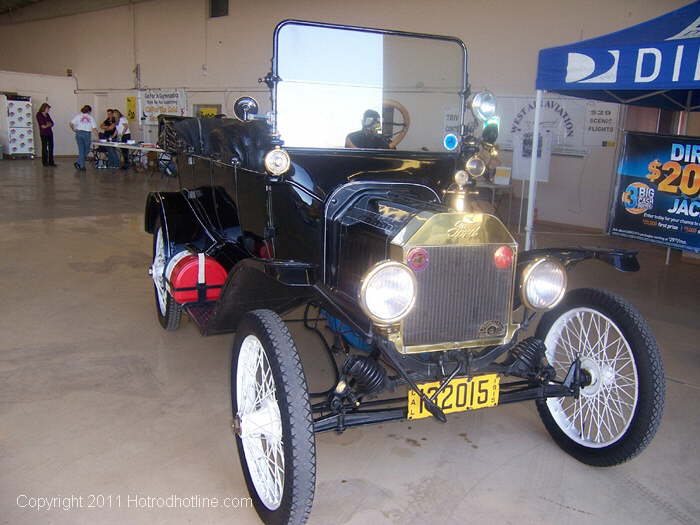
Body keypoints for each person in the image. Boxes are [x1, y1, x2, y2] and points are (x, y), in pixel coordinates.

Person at [70, 105, 97, 171]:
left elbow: (71, 123)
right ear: (89, 111)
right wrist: (98, 137)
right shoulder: (91, 117)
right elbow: (94, 128)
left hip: (78, 133)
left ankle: (79, 163)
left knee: (81, 150)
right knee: (87, 149)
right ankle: (81, 165)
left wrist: (73, 129)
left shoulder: (78, 116)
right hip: (86, 134)